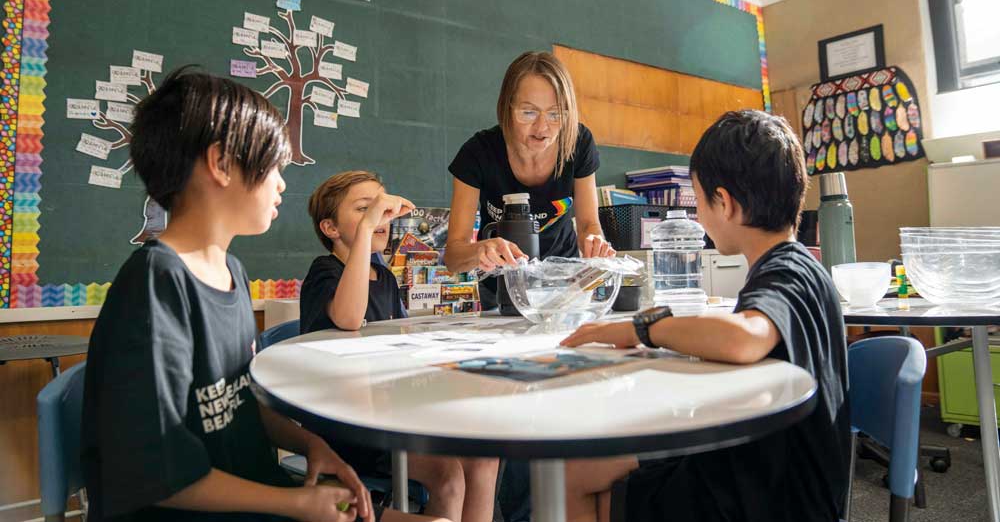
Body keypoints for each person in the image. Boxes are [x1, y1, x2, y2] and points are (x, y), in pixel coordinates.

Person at [81, 67, 445, 522]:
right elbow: (154, 471)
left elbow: (239, 403)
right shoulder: (157, 284)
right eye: (274, 166)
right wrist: (294, 503)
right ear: (221, 164)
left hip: (260, 498)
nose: (282, 182)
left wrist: (312, 445)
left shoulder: (229, 270)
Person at [559, 109, 850, 522]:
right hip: (767, 470)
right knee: (581, 470)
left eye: (698, 201)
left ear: (725, 203)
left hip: (773, 499)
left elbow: (743, 338)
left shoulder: (788, 271)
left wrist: (643, 328)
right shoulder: (796, 265)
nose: (698, 216)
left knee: (575, 478)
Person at [443, 51, 618, 521]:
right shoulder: (478, 154)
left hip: (560, 298)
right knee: (511, 416)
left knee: (557, 415)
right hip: (503, 302)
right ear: (506, 109)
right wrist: (481, 250)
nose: (543, 128)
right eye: (529, 112)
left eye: (556, 113)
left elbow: (588, 224)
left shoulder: (578, 144)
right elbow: (452, 250)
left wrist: (597, 245)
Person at [301, 170, 500, 522]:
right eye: (365, 209)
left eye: (382, 210)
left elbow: (399, 344)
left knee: (484, 455)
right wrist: (365, 232)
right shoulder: (324, 272)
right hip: (348, 429)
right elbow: (349, 317)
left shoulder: (386, 279)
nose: (379, 219)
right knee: (449, 476)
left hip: (391, 411)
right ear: (330, 228)